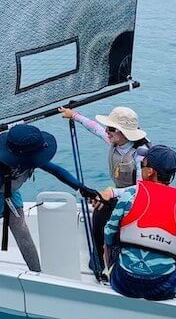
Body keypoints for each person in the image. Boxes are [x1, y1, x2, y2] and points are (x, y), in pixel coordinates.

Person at [0, 124, 98, 273]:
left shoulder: (30, 152)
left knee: (22, 231)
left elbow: (55, 170)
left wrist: (81, 188)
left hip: (7, 190)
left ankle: (37, 274)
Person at [103, 145, 176, 300]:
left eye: (142, 165)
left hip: (124, 282)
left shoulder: (130, 194)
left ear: (150, 172)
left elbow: (109, 234)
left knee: (109, 242)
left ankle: (106, 275)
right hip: (163, 287)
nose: (140, 168)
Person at [58, 105, 150, 270]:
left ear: (124, 133)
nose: (107, 130)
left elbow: (141, 189)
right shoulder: (115, 141)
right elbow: (95, 128)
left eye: (111, 128)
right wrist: (74, 115)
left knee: (115, 226)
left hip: (139, 200)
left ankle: (119, 263)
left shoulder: (141, 154)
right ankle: (99, 262)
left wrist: (111, 193)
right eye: (108, 127)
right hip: (119, 194)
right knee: (99, 215)